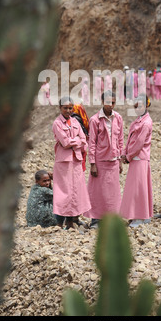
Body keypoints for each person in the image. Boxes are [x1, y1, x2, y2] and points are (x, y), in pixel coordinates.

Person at [85, 91, 124, 228]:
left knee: (112, 192)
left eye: (113, 102)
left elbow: (120, 139)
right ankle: (96, 219)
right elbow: (92, 143)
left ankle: (112, 218)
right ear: (102, 102)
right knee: (97, 190)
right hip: (100, 160)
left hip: (113, 160)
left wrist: (119, 159)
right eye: (108, 102)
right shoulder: (95, 120)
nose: (110, 105)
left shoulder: (118, 118)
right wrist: (92, 164)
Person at [52, 96, 91, 229]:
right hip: (64, 161)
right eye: (65, 108)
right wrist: (77, 141)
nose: (68, 110)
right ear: (60, 108)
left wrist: (75, 141)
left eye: (70, 108)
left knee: (76, 190)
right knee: (63, 190)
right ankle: (59, 222)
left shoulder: (75, 121)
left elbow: (84, 141)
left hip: (76, 160)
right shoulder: (57, 123)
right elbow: (65, 142)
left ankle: (71, 220)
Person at [119, 94, 153, 227]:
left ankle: (139, 216)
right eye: (135, 106)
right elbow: (130, 140)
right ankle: (143, 214)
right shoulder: (139, 120)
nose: (137, 108)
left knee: (137, 188)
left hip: (139, 157)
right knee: (140, 187)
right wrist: (125, 153)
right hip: (137, 158)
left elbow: (139, 143)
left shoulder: (145, 123)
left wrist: (128, 156)